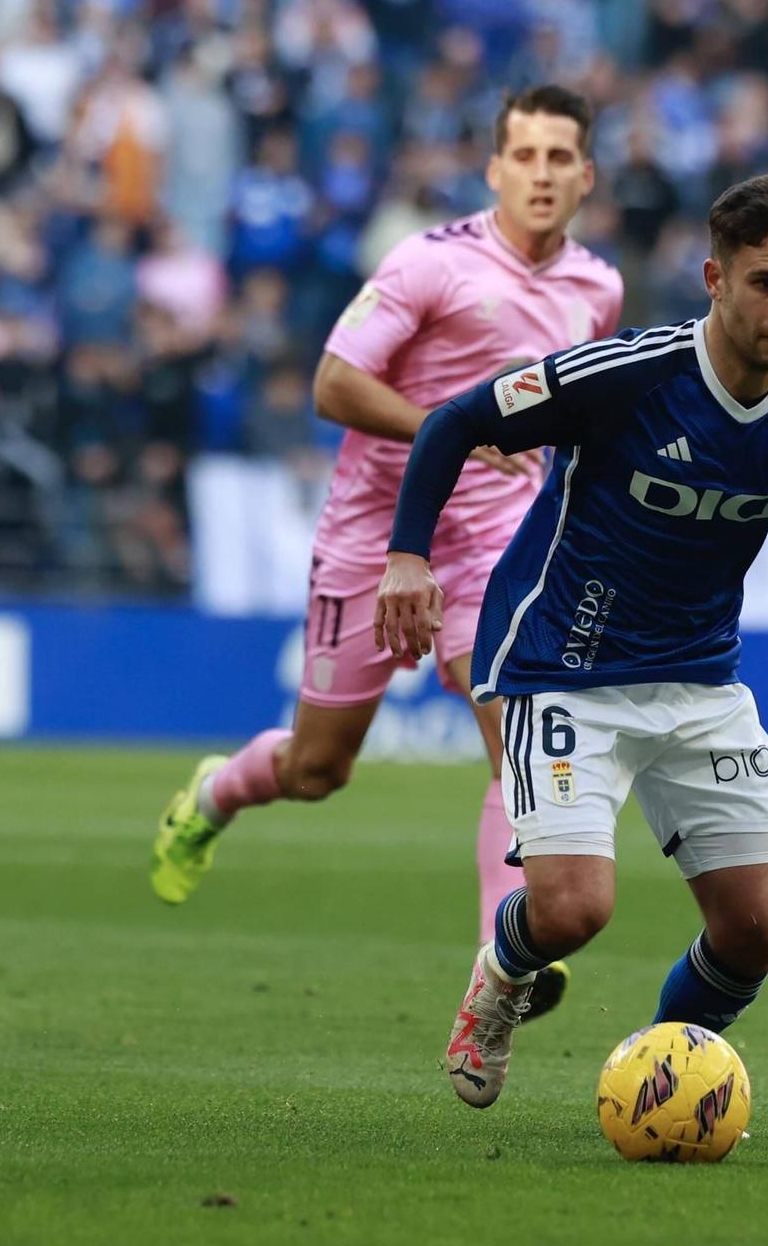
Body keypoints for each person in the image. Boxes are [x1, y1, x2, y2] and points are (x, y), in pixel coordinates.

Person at [374, 174, 768, 1109]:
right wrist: (407, 558)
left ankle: (663, 1075)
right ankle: (498, 982)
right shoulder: (626, 375)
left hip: (701, 678)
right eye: (766, 282)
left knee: (755, 931)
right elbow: (459, 421)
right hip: (565, 666)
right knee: (574, 909)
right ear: (714, 277)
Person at [150, 87, 624, 954]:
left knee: (511, 739)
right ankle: (215, 795)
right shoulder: (427, 263)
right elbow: (333, 383)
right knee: (318, 767)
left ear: (587, 174)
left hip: (495, 546)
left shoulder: (599, 288)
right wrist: (456, 432)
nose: (543, 174)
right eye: (526, 156)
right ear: (495, 169)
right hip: (375, 535)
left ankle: (501, 959)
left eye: (561, 158)